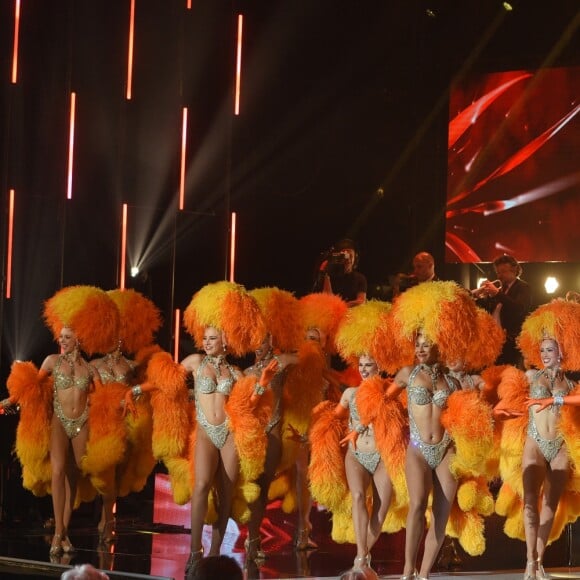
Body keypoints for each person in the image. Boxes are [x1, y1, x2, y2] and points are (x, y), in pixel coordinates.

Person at [124, 281, 275, 577]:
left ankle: (216, 557)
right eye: (205, 338)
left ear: (225, 341)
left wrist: (263, 382)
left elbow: (249, 404)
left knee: (226, 493)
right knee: (201, 487)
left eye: (212, 338)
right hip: (206, 432)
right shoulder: (194, 363)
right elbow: (167, 381)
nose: (206, 342)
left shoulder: (236, 372)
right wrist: (137, 390)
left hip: (229, 432)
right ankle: (196, 553)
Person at [372, 281, 494, 579]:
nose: (421, 348)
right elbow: (380, 401)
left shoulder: (452, 381)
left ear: (439, 345)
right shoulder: (406, 374)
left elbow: (474, 408)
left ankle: (424, 573)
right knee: (416, 507)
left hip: (446, 449)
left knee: (441, 515)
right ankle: (407, 570)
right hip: (417, 448)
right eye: (418, 344)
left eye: (427, 344)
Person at [1, 286, 120, 557]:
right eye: (61, 336)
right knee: (57, 472)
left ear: (79, 338)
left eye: (68, 337)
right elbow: (31, 386)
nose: (63, 340)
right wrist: (7, 402)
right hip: (59, 420)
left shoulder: (89, 369)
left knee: (74, 473)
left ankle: (65, 530)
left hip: (83, 422)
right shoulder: (52, 361)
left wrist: (122, 402)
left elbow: (103, 397)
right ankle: (57, 534)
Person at [309, 300, 407, 578]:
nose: (364, 369)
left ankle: (365, 553)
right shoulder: (350, 393)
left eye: (370, 365)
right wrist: (316, 432)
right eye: (361, 365)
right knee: (356, 497)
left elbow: (396, 411)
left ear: (379, 365)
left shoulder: (390, 389)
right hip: (356, 453)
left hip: (381, 454)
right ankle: (361, 557)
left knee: (382, 504)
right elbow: (335, 418)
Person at [493, 298, 580, 580]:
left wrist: (556, 398)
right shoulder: (530, 375)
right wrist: (501, 412)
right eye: (541, 349)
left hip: (560, 447)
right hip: (534, 442)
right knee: (530, 502)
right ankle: (530, 560)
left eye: (549, 349)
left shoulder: (570, 383)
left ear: (561, 351)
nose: (544, 354)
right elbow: (505, 405)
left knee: (550, 506)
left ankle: (539, 560)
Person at [90, 288, 162, 545]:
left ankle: (107, 517)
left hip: (125, 424)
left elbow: (154, 383)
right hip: (101, 426)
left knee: (118, 475)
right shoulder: (94, 365)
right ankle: (105, 519)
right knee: (103, 474)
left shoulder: (131, 366)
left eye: (117, 335)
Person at [243, 287, 302, 562]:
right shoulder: (244, 373)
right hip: (250, 438)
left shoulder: (278, 363)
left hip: (274, 434)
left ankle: (253, 541)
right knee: (247, 487)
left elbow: (304, 359)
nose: (259, 344)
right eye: (254, 339)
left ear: (271, 339)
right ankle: (249, 539)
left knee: (262, 488)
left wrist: (283, 354)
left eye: (263, 338)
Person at [476, 254, 532, 367]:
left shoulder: (523, 287)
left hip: (511, 340)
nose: (499, 275)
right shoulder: (501, 289)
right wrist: (482, 297)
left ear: (514, 270)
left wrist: (497, 293)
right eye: (498, 272)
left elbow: (519, 308)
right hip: (494, 340)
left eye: (503, 271)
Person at [314, 238, 367, 307]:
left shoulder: (360, 278)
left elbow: (361, 301)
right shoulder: (330, 274)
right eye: (344, 256)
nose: (348, 259)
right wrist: (326, 272)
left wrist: (341, 307)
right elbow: (327, 298)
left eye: (350, 255)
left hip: (351, 315)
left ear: (355, 258)